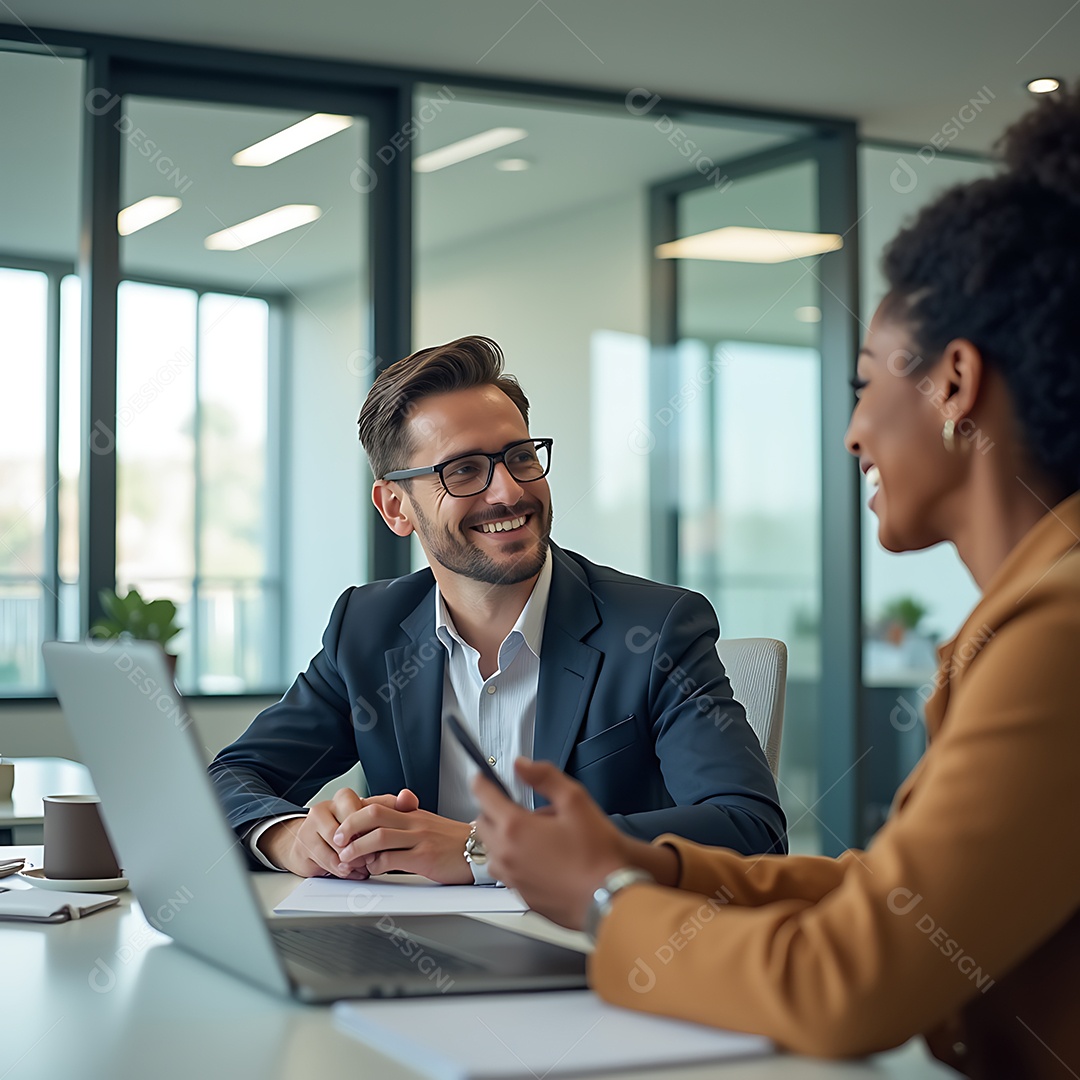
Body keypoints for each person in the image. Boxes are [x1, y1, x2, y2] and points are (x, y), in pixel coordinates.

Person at [472, 89, 1080, 1078]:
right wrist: (645, 865)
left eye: (863, 384)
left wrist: (602, 904)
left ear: (954, 385)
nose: (851, 432)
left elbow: (852, 981)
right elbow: (885, 891)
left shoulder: (1060, 628)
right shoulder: (1033, 612)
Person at [209, 335, 786, 886]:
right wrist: (289, 837)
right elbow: (227, 779)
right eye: (462, 470)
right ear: (395, 507)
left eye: (519, 456)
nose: (508, 491)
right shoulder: (366, 629)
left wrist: (480, 850)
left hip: (596, 957)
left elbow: (748, 829)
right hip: (406, 951)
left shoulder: (655, 630)